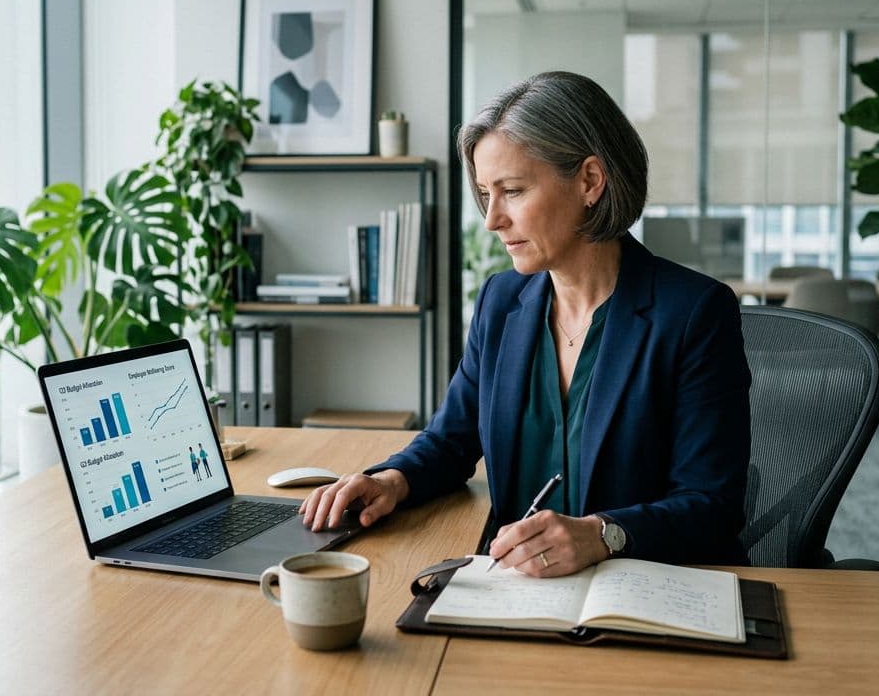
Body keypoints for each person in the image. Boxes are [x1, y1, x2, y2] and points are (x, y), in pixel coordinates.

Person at [300, 71, 751, 576]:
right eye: (485, 194)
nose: (492, 220)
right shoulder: (502, 300)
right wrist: (392, 480)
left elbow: (713, 504)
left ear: (590, 181)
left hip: (638, 592)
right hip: (518, 588)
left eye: (511, 191)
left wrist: (602, 535)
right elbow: (451, 439)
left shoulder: (694, 313)